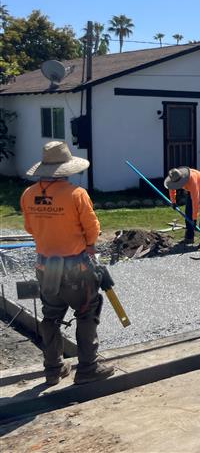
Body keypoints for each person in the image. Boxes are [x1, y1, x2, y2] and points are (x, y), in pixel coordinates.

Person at [20, 141, 115, 385]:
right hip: (76, 268)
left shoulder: (28, 195)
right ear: (66, 167)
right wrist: (89, 245)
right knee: (87, 312)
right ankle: (88, 369)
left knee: (50, 317)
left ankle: (53, 369)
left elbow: (30, 228)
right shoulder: (76, 194)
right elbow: (92, 229)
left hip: (45, 267)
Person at [165, 167, 200, 245]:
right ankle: (189, 238)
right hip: (192, 190)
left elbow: (195, 200)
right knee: (188, 213)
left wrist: (194, 219)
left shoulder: (192, 179)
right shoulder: (174, 177)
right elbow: (172, 188)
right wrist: (173, 202)